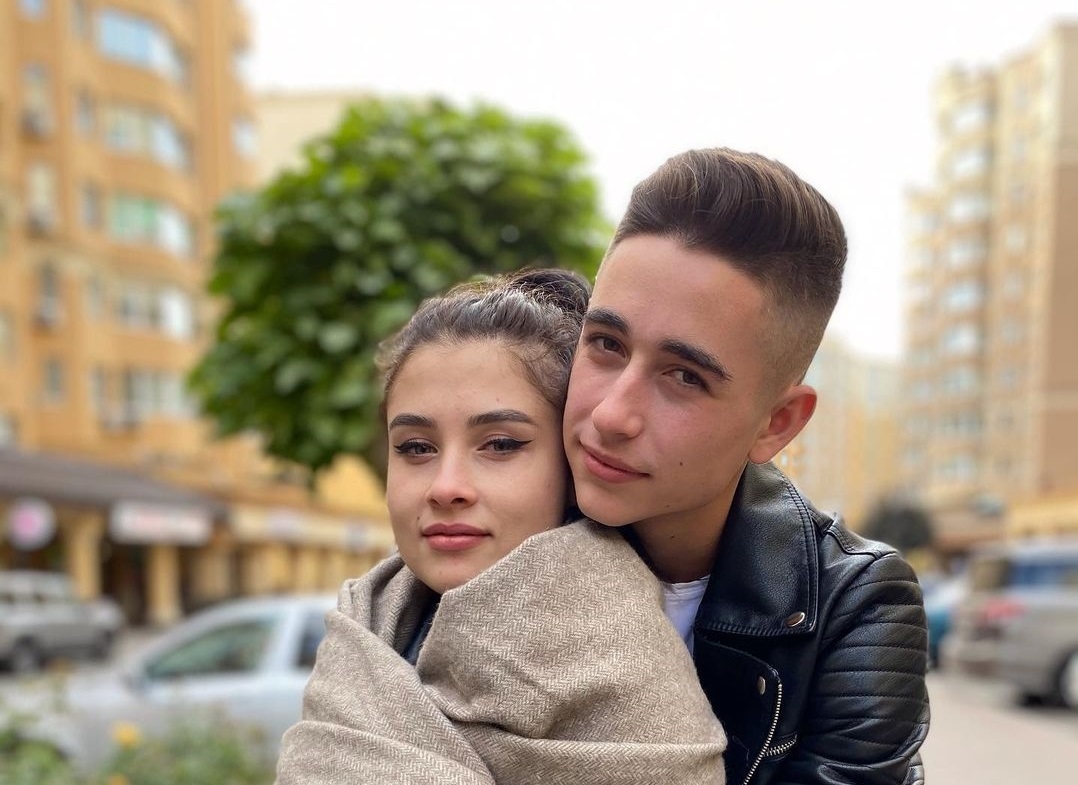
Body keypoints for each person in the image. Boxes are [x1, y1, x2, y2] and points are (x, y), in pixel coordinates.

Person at [561, 148, 930, 785]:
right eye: (606, 344)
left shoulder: (852, 603)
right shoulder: (500, 517)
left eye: (684, 376)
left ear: (776, 423)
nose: (612, 414)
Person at [275, 269, 728, 785]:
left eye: (501, 445)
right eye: (416, 448)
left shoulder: (634, 677)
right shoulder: (365, 630)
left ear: (573, 462)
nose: (446, 487)